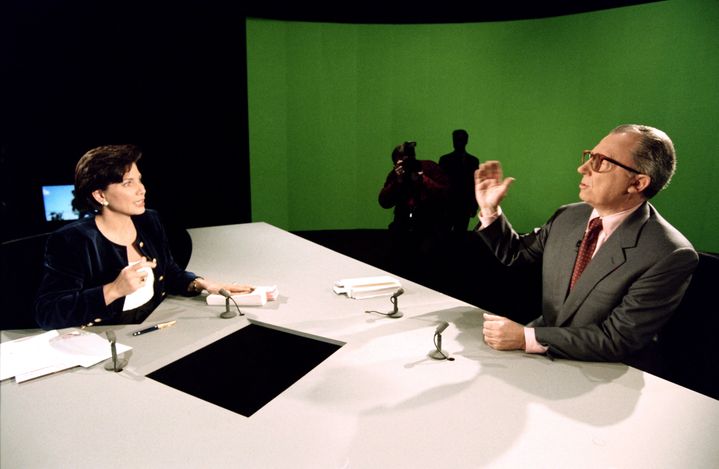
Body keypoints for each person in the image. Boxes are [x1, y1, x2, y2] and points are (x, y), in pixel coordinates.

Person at [474, 124, 698, 362]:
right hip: (540, 357)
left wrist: (525, 338)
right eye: (590, 157)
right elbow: (517, 254)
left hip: (605, 373)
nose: (582, 168)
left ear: (638, 183)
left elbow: (616, 339)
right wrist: (490, 209)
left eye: (601, 162)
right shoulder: (568, 216)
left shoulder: (669, 253)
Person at [34, 144, 253, 330]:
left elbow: (169, 271)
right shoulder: (72, 240)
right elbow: (48, 313)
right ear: (100, 195)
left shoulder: (149, 220)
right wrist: (113, 290)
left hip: (156, 327)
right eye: (128, 183)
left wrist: (204, 285)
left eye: (139, 180)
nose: (142, 190)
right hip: (105, 341)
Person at [378, 141, 449, 282]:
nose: (406, 164)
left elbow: (446, 192)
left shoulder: (429, 167)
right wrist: (397, 181)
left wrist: (423, 179)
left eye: (409, 159)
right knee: (399, 265)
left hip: (429, 226)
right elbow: (384, 202)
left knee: (427, 267)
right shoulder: (395, 175)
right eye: (401, 161)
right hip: (403, 226)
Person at [439, 129, 480, 232]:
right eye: (457, 139)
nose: (457, 142)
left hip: (457, 205)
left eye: (459, 139)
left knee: (451, 234)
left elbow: (475, 184)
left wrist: (474, 205)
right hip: (454, 205)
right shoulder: (473, 161)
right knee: (455, 235)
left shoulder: (445, 160)